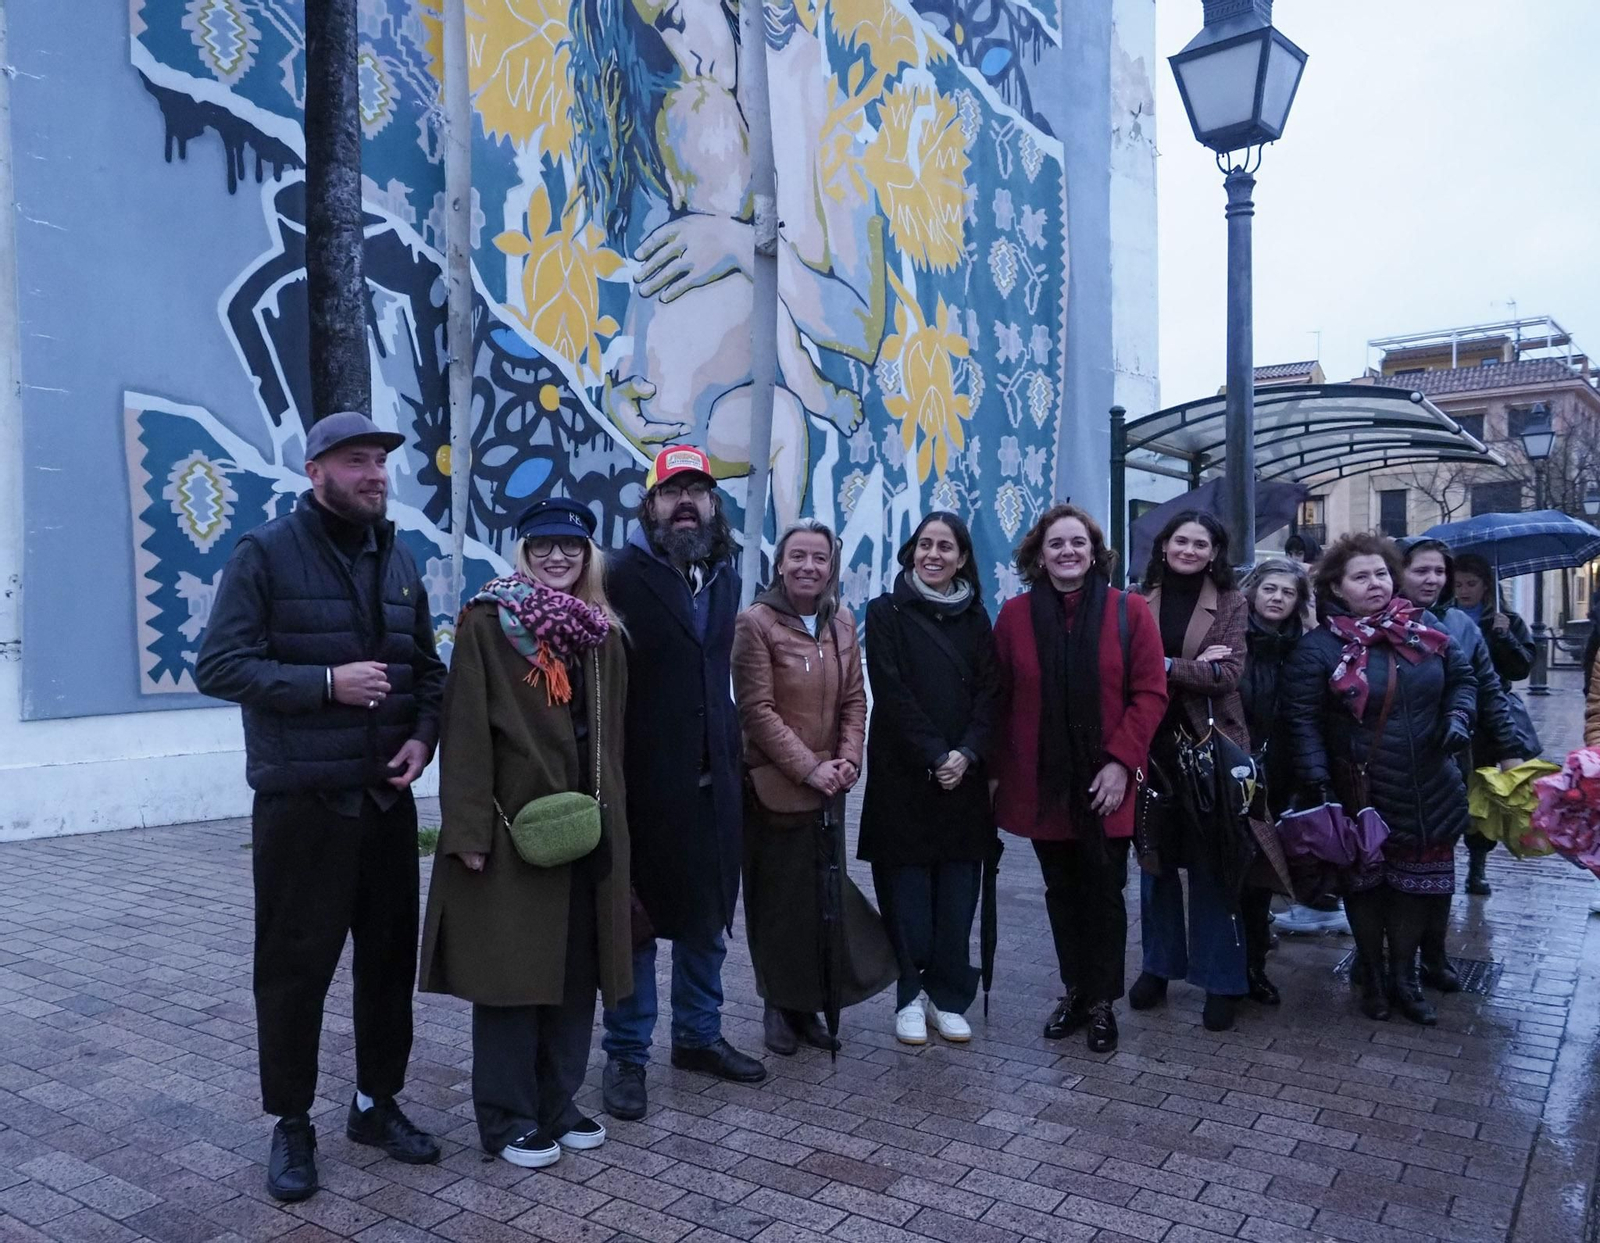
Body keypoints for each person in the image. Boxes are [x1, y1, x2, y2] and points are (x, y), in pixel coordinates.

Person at [195, 412, 446, 1202]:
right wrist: (326, 684)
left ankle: (376, 1103)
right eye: (356, 460)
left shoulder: (400, 558)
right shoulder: (264, 553)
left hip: (384, 801)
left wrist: (424, 739)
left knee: (385, 966)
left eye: (380, 460)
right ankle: (293, 1122)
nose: (375, 473)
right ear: (315, 471)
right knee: (294, 970)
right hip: (303, 805)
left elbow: (426, 672)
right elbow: (220, 663)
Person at [418, 499, 632, 1168]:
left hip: (588, 830)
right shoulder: (488, 622)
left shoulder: (601, 633)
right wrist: (469, 831)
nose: (558, 556)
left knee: (574, 972)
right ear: (523, 552)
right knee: (512, 974)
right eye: (543, 544)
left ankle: (556, 1101)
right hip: (514, 830)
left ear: (590, 553)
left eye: (571, 544)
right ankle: (506, 1117)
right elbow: (465, 730)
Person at [600, 445, 764, 1121]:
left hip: (711, 782)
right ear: (650, 504)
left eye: (698, 489)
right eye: (674, 491)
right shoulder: (615, 573)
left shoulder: (723, 574)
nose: (687, 501)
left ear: (715, 504)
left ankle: (697, 1036)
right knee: (636, 920)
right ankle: (627, 1054)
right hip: (642, 782)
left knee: (706, 921)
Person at [991, 505, 1167, 1053]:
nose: (1067, 552)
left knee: (1104, 894)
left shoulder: (1128, 610)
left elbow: (1150, 693)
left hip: (1106, 782)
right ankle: (1074, 989)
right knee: (1062, 892)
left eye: (1077, 543)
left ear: (1095, 552)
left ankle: (1102, 1002)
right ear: (1038, 556)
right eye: (1055, 544)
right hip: (1045, 785)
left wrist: (1121, 763)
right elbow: (999, 698)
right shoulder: (1014, 617)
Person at [1280, 533, 1475, 1026]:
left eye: (1382, 574)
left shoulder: (1424, 629)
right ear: (1338, 588)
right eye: (1361, 576)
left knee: (1415, 887)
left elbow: (1464, 681)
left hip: (1429, 783)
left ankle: (1406, 980)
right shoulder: (1319, 648)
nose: (1376, 584)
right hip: (1359, 789)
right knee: (1366, 888)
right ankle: (1374, 975)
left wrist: (1458, 719)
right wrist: (1319, 783)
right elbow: (1301, 721)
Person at [732, 520, 895, 1054]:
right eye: (797, 556)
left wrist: (849, 758)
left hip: (831, 787)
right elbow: (756, 710)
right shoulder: (755, 623)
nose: (808, 567)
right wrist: (808, 768)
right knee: (778, 901)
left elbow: (854, 699)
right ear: (779, 563)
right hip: (776, 786)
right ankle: (778, 1003)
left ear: (832, 566)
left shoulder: (842, 620)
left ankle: (809, 1002)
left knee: (822, 897)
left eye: (819, 558)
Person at [1131, 511, 1278, 1034]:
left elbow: (1226, 674)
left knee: (1216, 864)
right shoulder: (1135, 597)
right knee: (1156, 865)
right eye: (1180, 540)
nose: (1189, 550)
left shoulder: (1232, 602)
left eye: (1201, 543)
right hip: (1150, 745)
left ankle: (1222, 980)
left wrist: (1166, 666)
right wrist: (1180, 664)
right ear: (1165, 545)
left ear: (1216, 552)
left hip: (1210, 748)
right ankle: (1158, 967)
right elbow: (1127, 668)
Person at [859, 512, 998, 1046]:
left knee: (958, 893)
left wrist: (965, 753)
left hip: (962, 778)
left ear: (962, 558)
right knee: (907, 895)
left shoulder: (978, 618)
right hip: (906, 777)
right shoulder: (886, 612)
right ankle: (909, 995)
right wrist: (937, 754)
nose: (933, 554)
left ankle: (948, 996)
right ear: (911, 552)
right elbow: (890, 693)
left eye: (946, 546)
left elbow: (991, 694)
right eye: (925, 545)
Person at [1396, 537, 1530, 990]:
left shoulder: (1458, 625)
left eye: (1439, 572)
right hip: (1387, 761)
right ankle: (1382, 960)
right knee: (1385, 862)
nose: (1432, 580)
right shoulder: (1372, 620)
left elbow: (1489, 692)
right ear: (1399, 571)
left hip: (1447, 758)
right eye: (1421, 570)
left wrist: (1510, 752)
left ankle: (1433, 956)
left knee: (1439, 861)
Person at [1236, 558, 1313, 1004]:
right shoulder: (1232, 640)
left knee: (1264, 874)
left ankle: (1254, 966)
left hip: (1281, 773)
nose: (1277, 598)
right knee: (1233, 872)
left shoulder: (1304, 647)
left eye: (1287, 592)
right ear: (1253, 591)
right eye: (1270, 589)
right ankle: (1228, 966)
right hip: (1234, 769)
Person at [1450, 553, 1537, 896]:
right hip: (1455, 717)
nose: (1464, 591)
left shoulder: (1506, 620)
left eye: (1471, 584)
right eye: (1457, 585)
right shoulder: (1442, 617)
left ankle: (1477, 866)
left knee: (1484, 798)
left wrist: (1504, 637)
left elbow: (1520, 669)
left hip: (1488, 721)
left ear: (1486, 585)